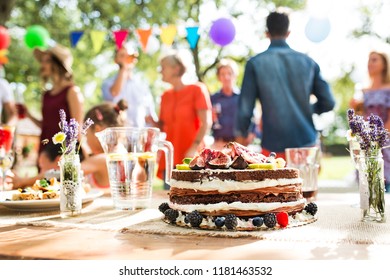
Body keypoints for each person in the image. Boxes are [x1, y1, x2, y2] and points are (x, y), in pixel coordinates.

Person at [235, 10, 335, 159]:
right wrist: (307, 109)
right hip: (306, 143)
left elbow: (245, 110)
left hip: (273, 147)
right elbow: (328, 102)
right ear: (288, 32)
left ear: (266, 33)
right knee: (308, 182)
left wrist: (242, 134)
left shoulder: (255, 64)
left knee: (277, 183)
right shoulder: (308, 62)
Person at [150, 52, 212, 184]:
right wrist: (152, 121)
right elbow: (164, 126)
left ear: (176, 69)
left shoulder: (197, 89)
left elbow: (206, 122)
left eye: (163, 67)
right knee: (170, 199)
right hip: (170, 157)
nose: (160, 71)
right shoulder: (165, 95)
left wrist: (194, 147)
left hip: (192, 157)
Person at [25, 44, 84, 156]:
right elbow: (46, 126)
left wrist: (70, 156)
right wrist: (28, 115)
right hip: (44, 152)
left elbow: (77, 128)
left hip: (63, 152)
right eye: (42, 61)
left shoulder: (72, 91)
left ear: (58, 64)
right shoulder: (46, 94)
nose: (42, 64)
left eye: (47, 61)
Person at [351, 51, 390, 192]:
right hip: (366, 141)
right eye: (369, 60)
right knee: (367, 182)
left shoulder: (388, 89)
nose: (370, 63)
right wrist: (353, 108)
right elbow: (360, 118)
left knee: (384, 180)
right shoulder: (363, 90)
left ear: (384, 65)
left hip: (385, 142)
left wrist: (379, 141)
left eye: (374, 60)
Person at [101, 46, 157, 127]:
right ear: (116, 60)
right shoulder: (107, 83)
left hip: (139, 134)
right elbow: (114, 93)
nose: (126, 59)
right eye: (122, 55)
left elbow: (150, 113)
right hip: (118, 133)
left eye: (128, 56)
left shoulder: (142, 85)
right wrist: (123, 69)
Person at [81, 100, 128, 189]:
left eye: (86, 135)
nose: (86, 141)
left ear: (97, 130)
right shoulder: (121, 152)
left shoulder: (104, 160)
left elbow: (66, 173)